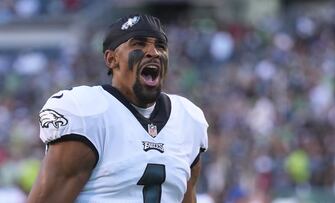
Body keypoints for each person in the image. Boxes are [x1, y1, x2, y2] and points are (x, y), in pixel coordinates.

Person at [27, 14, 208, 203]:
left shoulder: (188, 119)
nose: (153, 52)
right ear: (111, 59)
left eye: (160, 46)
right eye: (139, 44)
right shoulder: (88, 112)